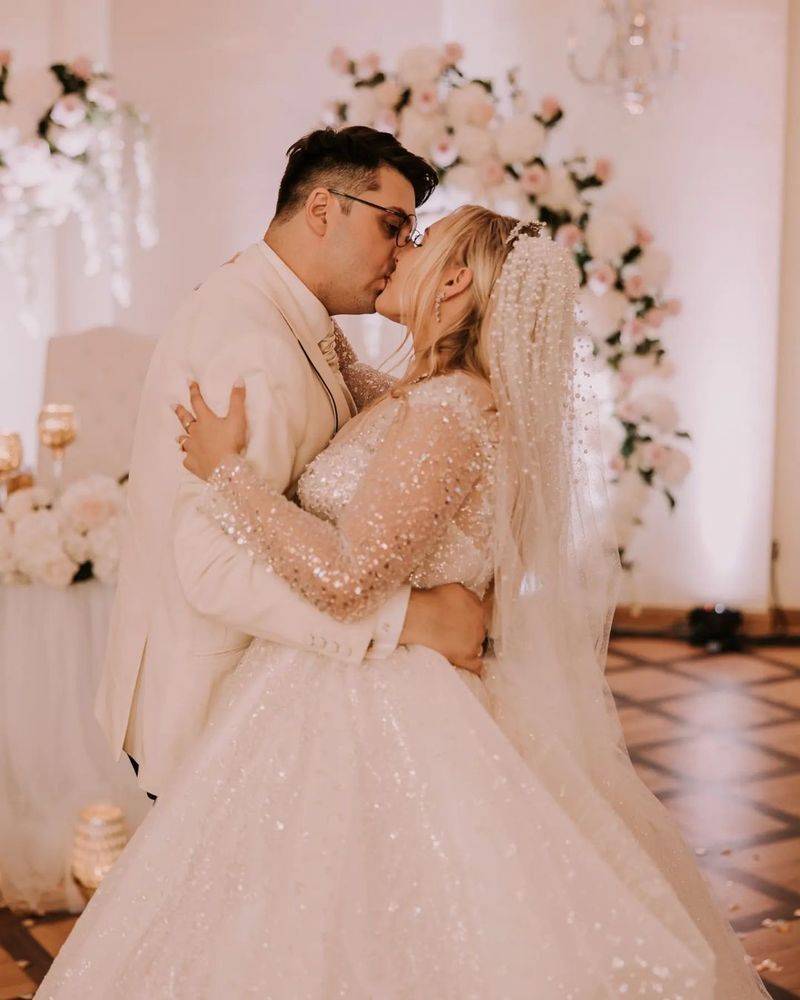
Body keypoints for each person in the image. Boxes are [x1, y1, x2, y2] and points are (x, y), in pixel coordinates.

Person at [39, 207, 768, 998]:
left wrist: (227, 475)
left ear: (455, 279)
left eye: (421, 240)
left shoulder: (452, 411)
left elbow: (350, 575)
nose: (402, 251)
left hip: (378, 700)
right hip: (358, 680)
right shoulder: (432, 396)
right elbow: (366, 404)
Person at [94, 126, 488, 801]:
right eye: (393, 226)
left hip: (294, 704)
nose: (400, 252)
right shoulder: (253, 342)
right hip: (212, 702)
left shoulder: (286, 315)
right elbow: (213, 564)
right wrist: (408, 619)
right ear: (323, 210)